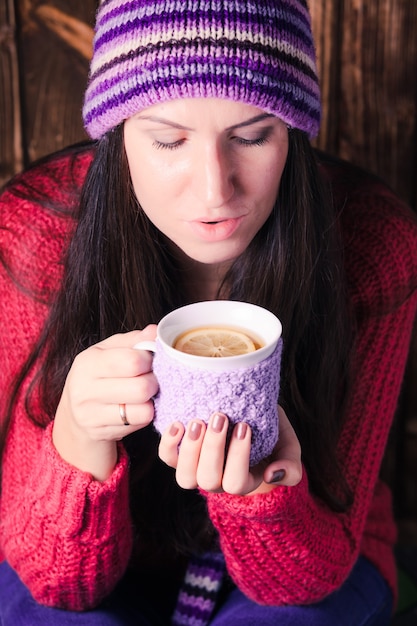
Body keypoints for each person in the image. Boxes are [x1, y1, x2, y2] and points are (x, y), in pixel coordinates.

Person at [0, 0, 416, 624]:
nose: (215, 189)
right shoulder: (35, 238)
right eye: (168, 139)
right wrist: (78, 443)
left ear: (294, 133)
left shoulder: (372, 244)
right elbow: (56, 583)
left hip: (314, 548)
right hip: (94, 560)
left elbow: (309, 575)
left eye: (252, 136)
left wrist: (263, 499)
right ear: (116, 134)